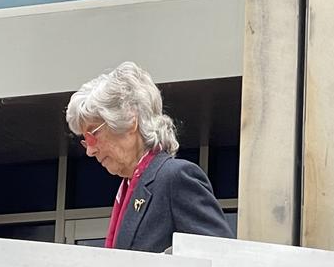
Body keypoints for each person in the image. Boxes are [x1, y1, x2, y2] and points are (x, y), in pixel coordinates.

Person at [66, 61, 234, 253]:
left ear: (130, 120)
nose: (90, 151)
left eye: (92, 135)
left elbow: (222, 258)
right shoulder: (131, 187)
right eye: (85, 141)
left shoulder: (175, 178)